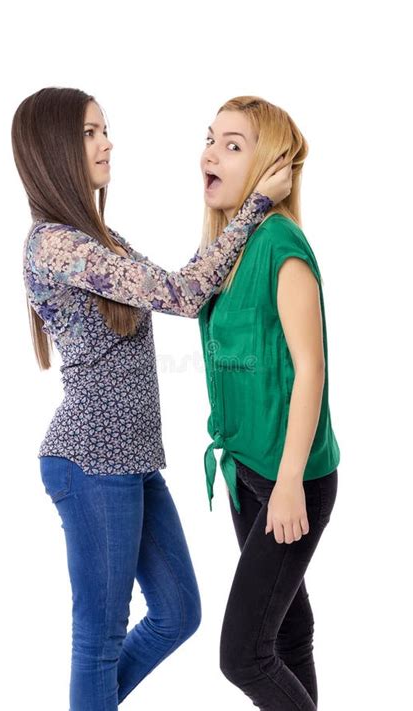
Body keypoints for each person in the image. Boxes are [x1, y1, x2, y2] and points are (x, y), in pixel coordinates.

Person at [11, 86, 292, 711]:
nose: (107, 142)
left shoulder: (100, 237)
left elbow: (181, 282)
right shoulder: (55, 246)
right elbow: (184, 296)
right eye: (89, 133)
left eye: (103, 129)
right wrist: (254, 209)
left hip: (132, 460)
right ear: (53, 149)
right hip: (90, 462)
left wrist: (243, 212)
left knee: (179, 612)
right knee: (99, 642)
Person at [197, 96, 340, 710]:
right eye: (209, 139)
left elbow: (311, 369)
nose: (210, 152)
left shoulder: (281, 244)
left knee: (242, 656)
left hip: (292, 477)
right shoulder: (228, 250)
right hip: (246, 470)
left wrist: (287, 484)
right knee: (285, 631)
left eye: (234, 144)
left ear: (269, 169)